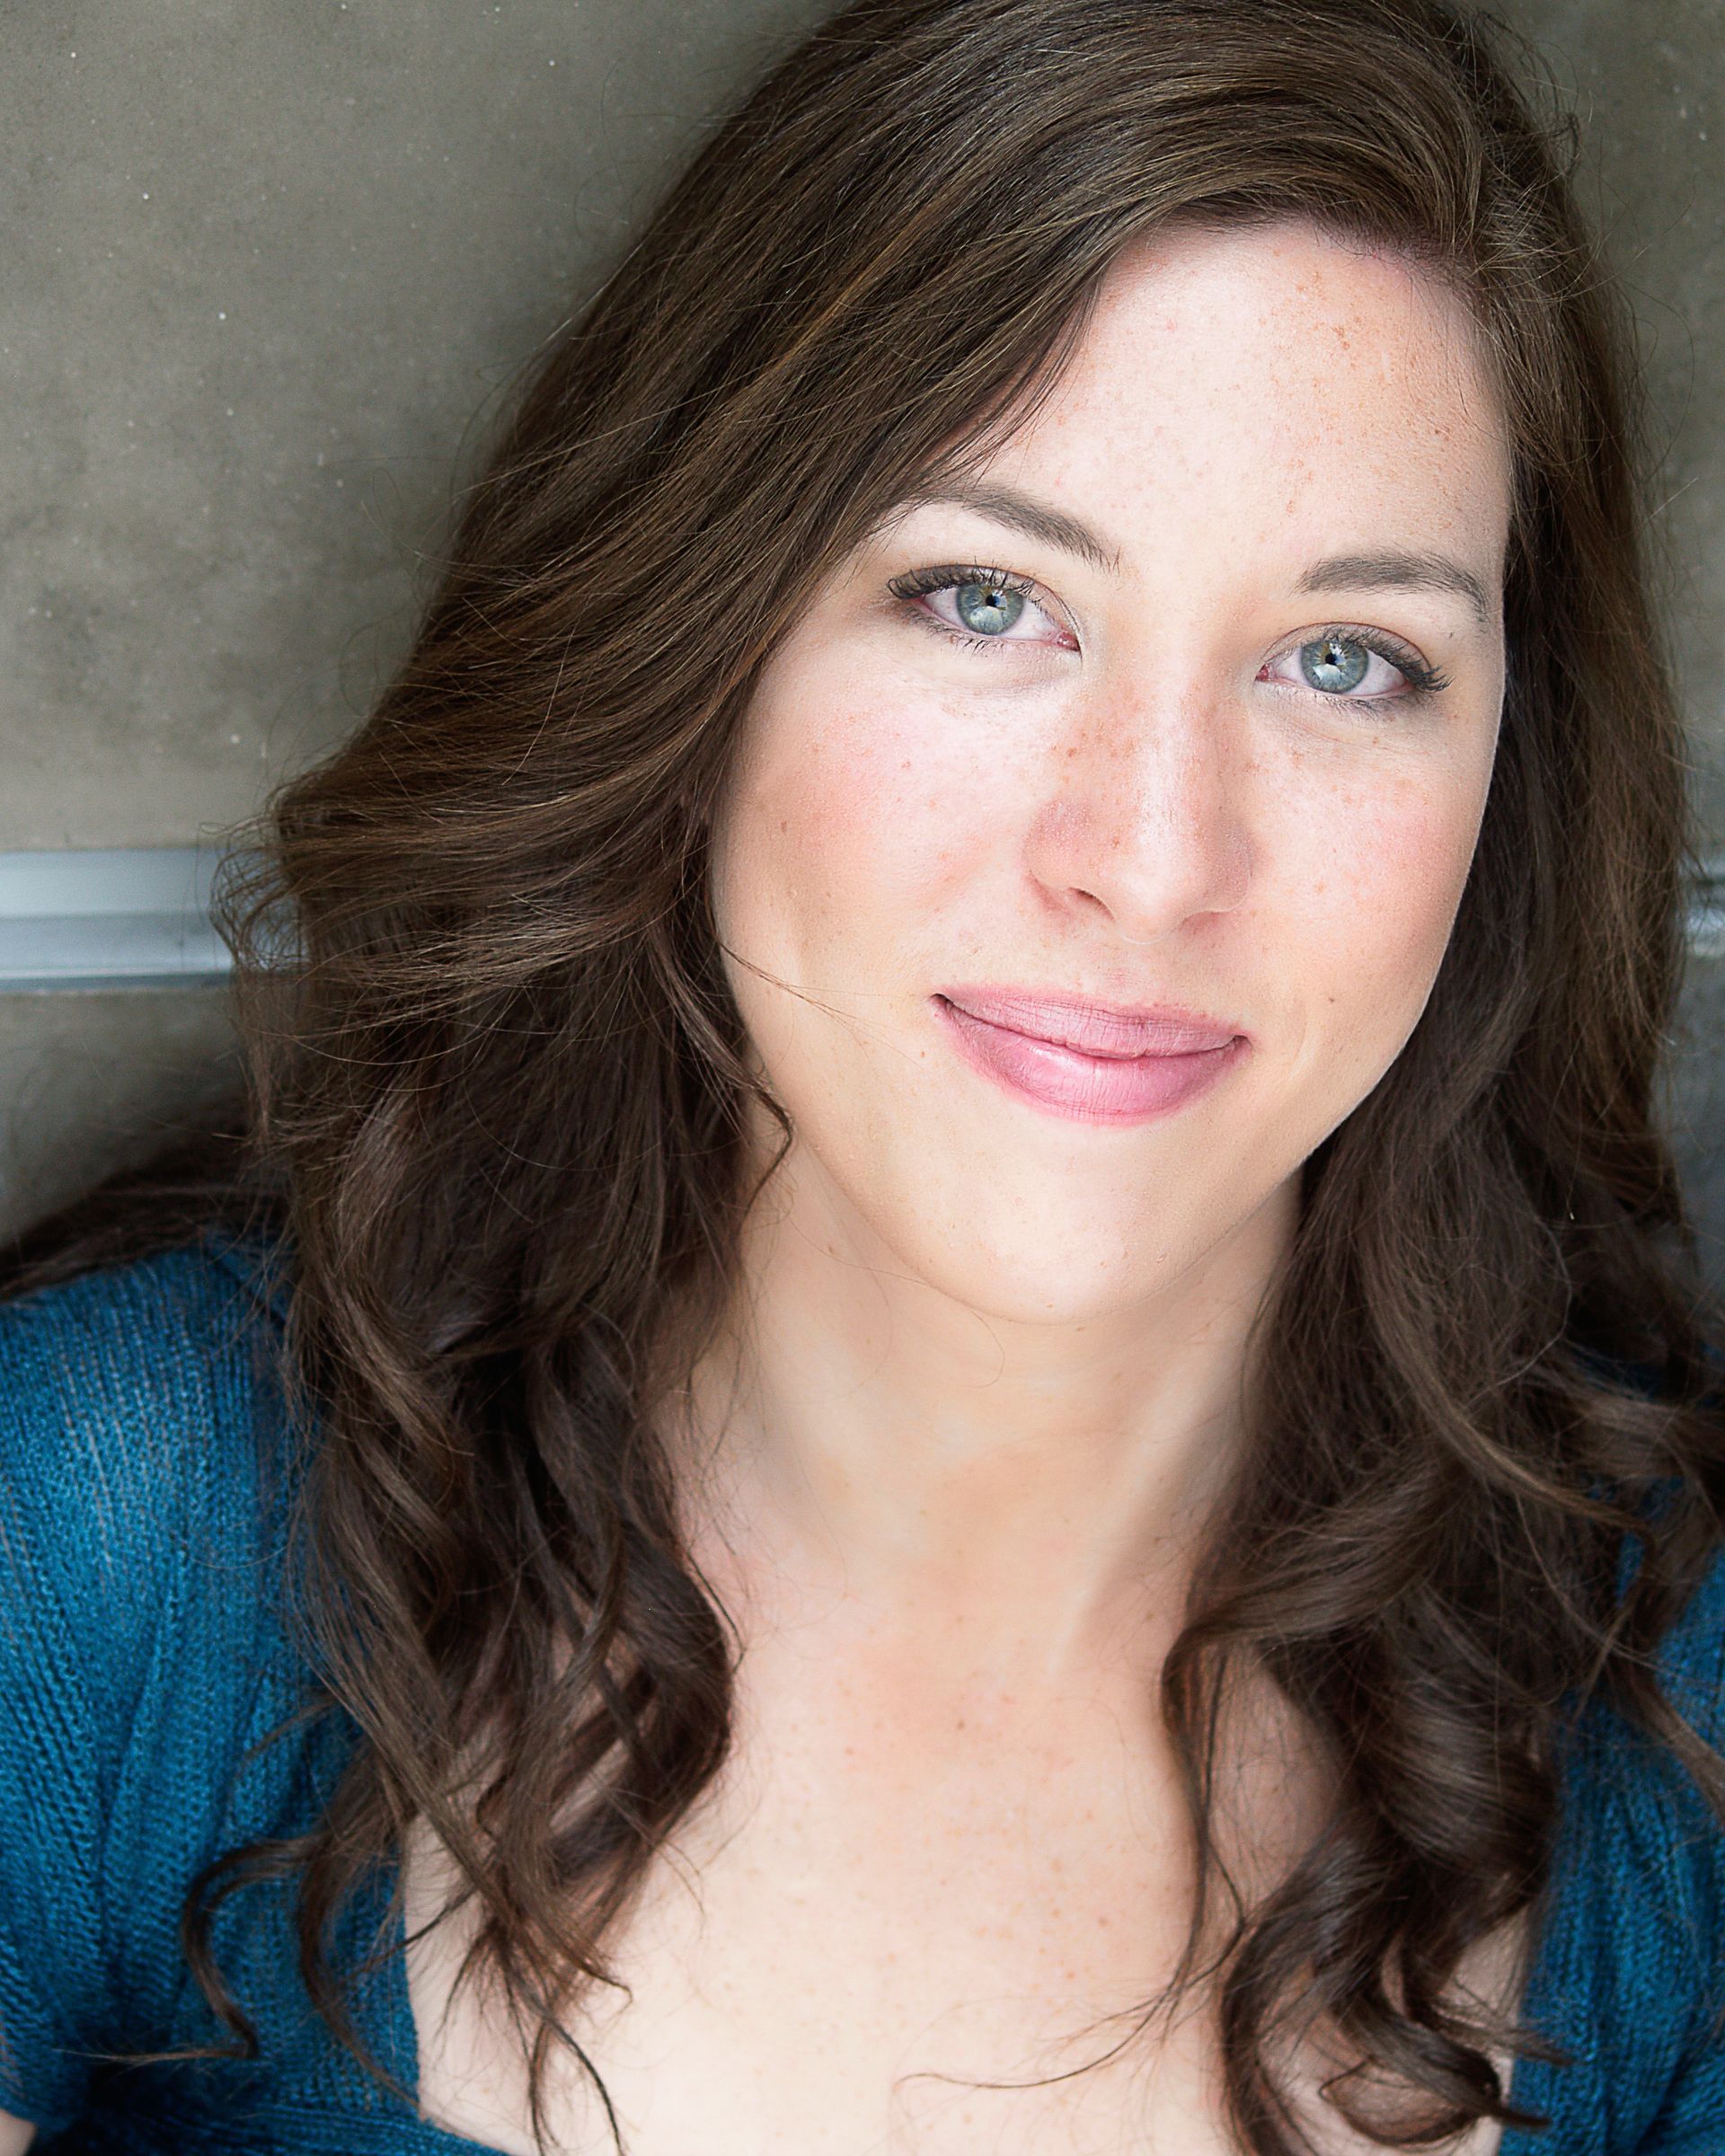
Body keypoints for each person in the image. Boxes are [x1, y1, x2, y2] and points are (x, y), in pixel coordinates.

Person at [4, 0, 1723, 2150]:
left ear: (1508, 779)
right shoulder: (114, 1540)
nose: (1154, 855)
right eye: (987, 597)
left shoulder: (1685, 1749)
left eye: (1348, 659)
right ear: (706, 647)